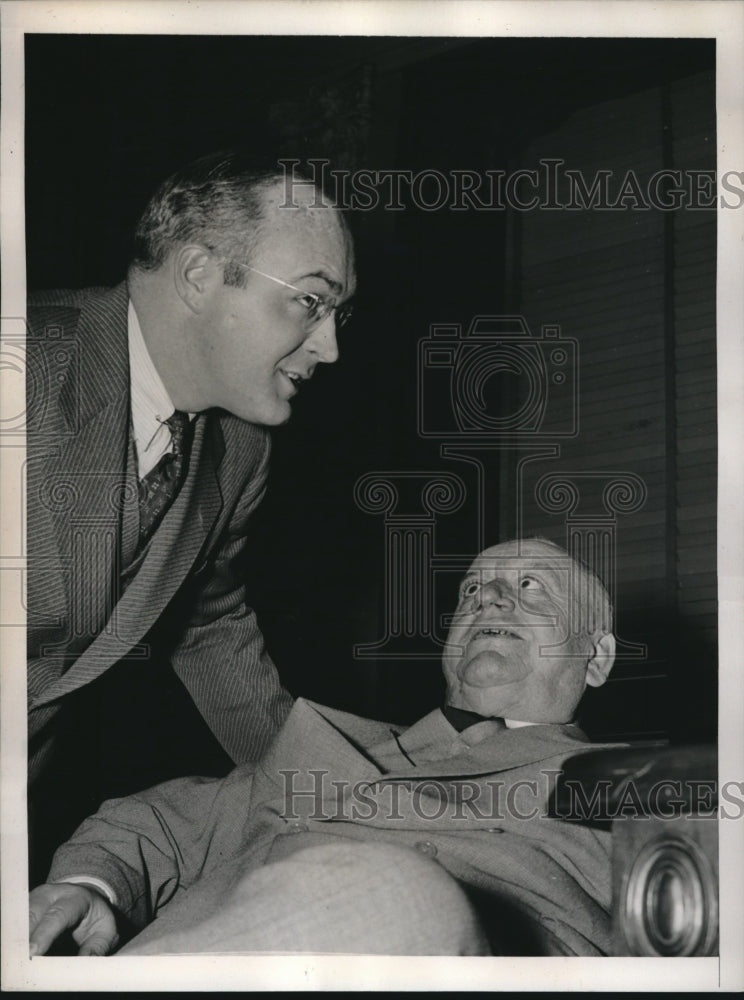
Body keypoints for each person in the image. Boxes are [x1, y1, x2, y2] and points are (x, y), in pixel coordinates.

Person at [29, 538, 621, 957]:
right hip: (217, 952)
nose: (488, 598)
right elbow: (156, 820)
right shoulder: (331, 749)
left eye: (530, 587)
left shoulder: (642, 783)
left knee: (394, 895)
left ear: (596, 658)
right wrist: (88, 887)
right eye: (470, 590)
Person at [26, 151, 356, 878]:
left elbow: (210, 625)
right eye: (309, 301)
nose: (330, 348)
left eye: (339, 313)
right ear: (200, 274)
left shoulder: (238, 450)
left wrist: (325, 804)